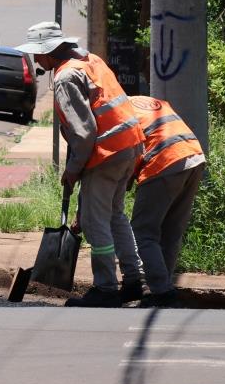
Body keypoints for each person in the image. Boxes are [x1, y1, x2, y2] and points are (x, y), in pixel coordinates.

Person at [16, 21, 146, 307]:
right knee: (115, 215)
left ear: (49, 52)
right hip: (130, 147)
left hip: (107, 154)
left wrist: (73, 170)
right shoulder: (91, 60)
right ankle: (135, 280)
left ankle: (107, 288)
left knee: (93, 221)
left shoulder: (64, 78)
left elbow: (84, 133)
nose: (36, 60)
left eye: (38, 54)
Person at [128, 96, 205, 307]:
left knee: (143, 231)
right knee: (171, 231)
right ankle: (164, 288)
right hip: (193, 156)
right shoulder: (145, 100)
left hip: (164, 162)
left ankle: (161, 290)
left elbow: (126, 152)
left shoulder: (116, 112)